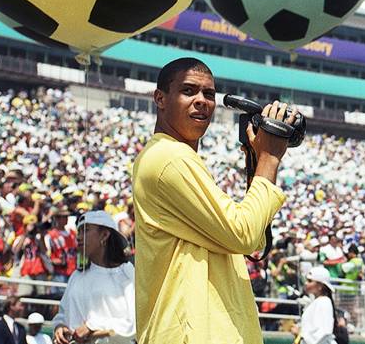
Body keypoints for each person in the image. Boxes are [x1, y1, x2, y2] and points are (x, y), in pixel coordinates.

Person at [133, 58, 298, 343]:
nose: (201, 101)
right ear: (160, 98)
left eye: (208, 94)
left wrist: (257, 161)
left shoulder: (179, 158)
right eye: (189, 91)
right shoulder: (170, 158)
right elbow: (244, 235)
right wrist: (270, 159)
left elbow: (254, 238)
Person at [52, 211, 135, 344]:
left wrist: (92, 327)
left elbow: (134, 323)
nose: (79, 237)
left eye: (86, 230)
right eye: (79, 232)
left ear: (105, 235)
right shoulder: (77, 276)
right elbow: (62, 314)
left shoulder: (127, 272)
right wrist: (59, 327)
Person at [291, 266, 338, 344]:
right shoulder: (317, 302)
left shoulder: (324, 302)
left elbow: (323, 333)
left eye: (310, 281)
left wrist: (300, 333)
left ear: (320, 286)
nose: (306, 283)